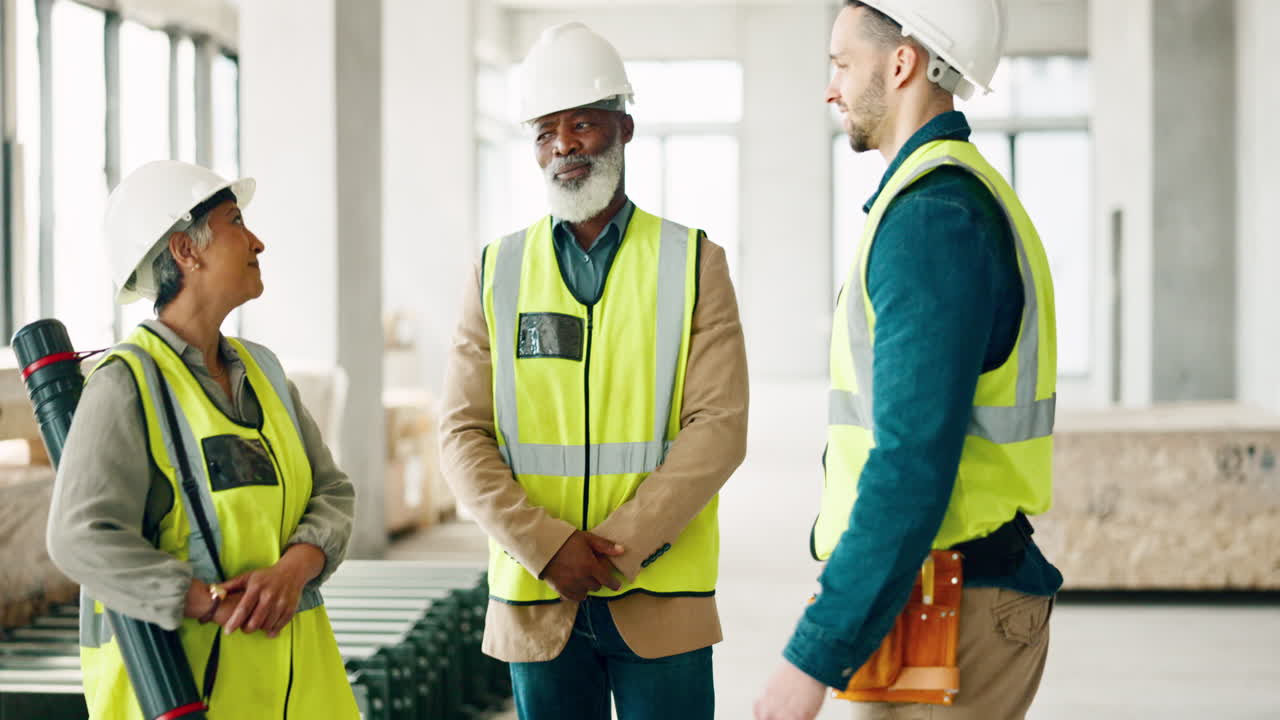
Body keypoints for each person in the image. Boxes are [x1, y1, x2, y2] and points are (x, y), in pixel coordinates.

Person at [755, 2, 1061, 718]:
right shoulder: (942, 196)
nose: (830, 88)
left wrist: (811, 656)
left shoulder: (932, 218)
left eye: (841, 63)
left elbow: (909, 467)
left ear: (901, 63)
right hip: (934, 593)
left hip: (953, 609)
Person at [439, 21, 748, 720]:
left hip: (661, 593)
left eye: (581, 123)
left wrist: (618, 548)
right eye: (546, 132)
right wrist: (548, 549)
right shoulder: (496, 271)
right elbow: (461, 434)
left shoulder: (695, 263)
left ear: (625, 127)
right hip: (535, 593)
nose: (564, 146)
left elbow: (720, 428)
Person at [46, 160, 359, 719]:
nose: (257, 241)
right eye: (236, 221)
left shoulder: (264, 372)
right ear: (185, 252)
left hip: (296, 693)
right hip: (186, 696)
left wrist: (293, 570)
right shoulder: (126, 385)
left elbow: (332, 491)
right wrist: (202, 600)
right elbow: (79, 536)